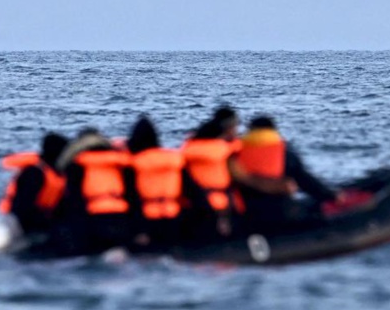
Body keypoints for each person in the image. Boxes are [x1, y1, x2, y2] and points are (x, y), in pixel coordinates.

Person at [181, 106, 292, 239]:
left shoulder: (188, 149)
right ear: (229, 128)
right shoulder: (226, 151)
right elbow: (242, 178)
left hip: (192, 211)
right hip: (224, 211)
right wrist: (279, 187)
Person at [237, 116, 339, 232]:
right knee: (314, 210)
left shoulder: (237, 153)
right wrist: (332, 196)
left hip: (247, 215)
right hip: (281, 212)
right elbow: (305, 181)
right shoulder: (283, 152)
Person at [48, 127, 134, 256]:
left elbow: (70, 199)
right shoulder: (119, 162)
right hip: (121, 220)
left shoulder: (77, 164)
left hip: (91, 221)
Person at [123, 115, 186, 250]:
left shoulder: (135, 163)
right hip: (174, 218)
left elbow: (131, 198)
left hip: (147, 221)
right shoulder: (174, 160)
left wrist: (139, 230)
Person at [0, 132, 69, 236]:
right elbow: (22, 208)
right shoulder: (34, 173)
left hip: (42, 220)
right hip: (16, 221)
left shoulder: (60, 174)